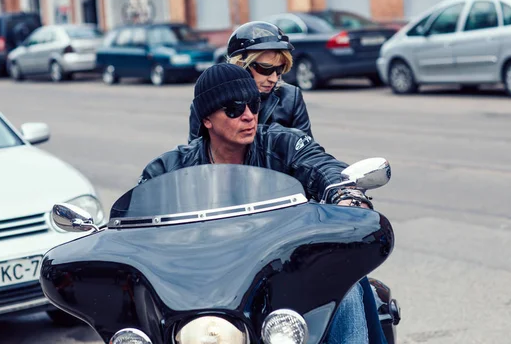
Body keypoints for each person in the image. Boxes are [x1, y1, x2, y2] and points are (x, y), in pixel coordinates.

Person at [139, 63, 383, 343]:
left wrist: (346, 193)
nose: (248, 116)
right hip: (206, 280)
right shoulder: (172, 167)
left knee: (344, 285)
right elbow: (138, 207)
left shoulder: (282, 144)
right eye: (233, 109)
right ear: (206, 119)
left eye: (253, 105)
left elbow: (321, 165)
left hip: (282, 269)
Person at [188, 21, 312, 143]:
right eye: (265, 69)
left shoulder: (291, 97)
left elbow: (308, 152)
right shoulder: (208, 100)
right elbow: (195, 155)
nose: (274, 78)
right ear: (240, 64)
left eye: (279, 69)